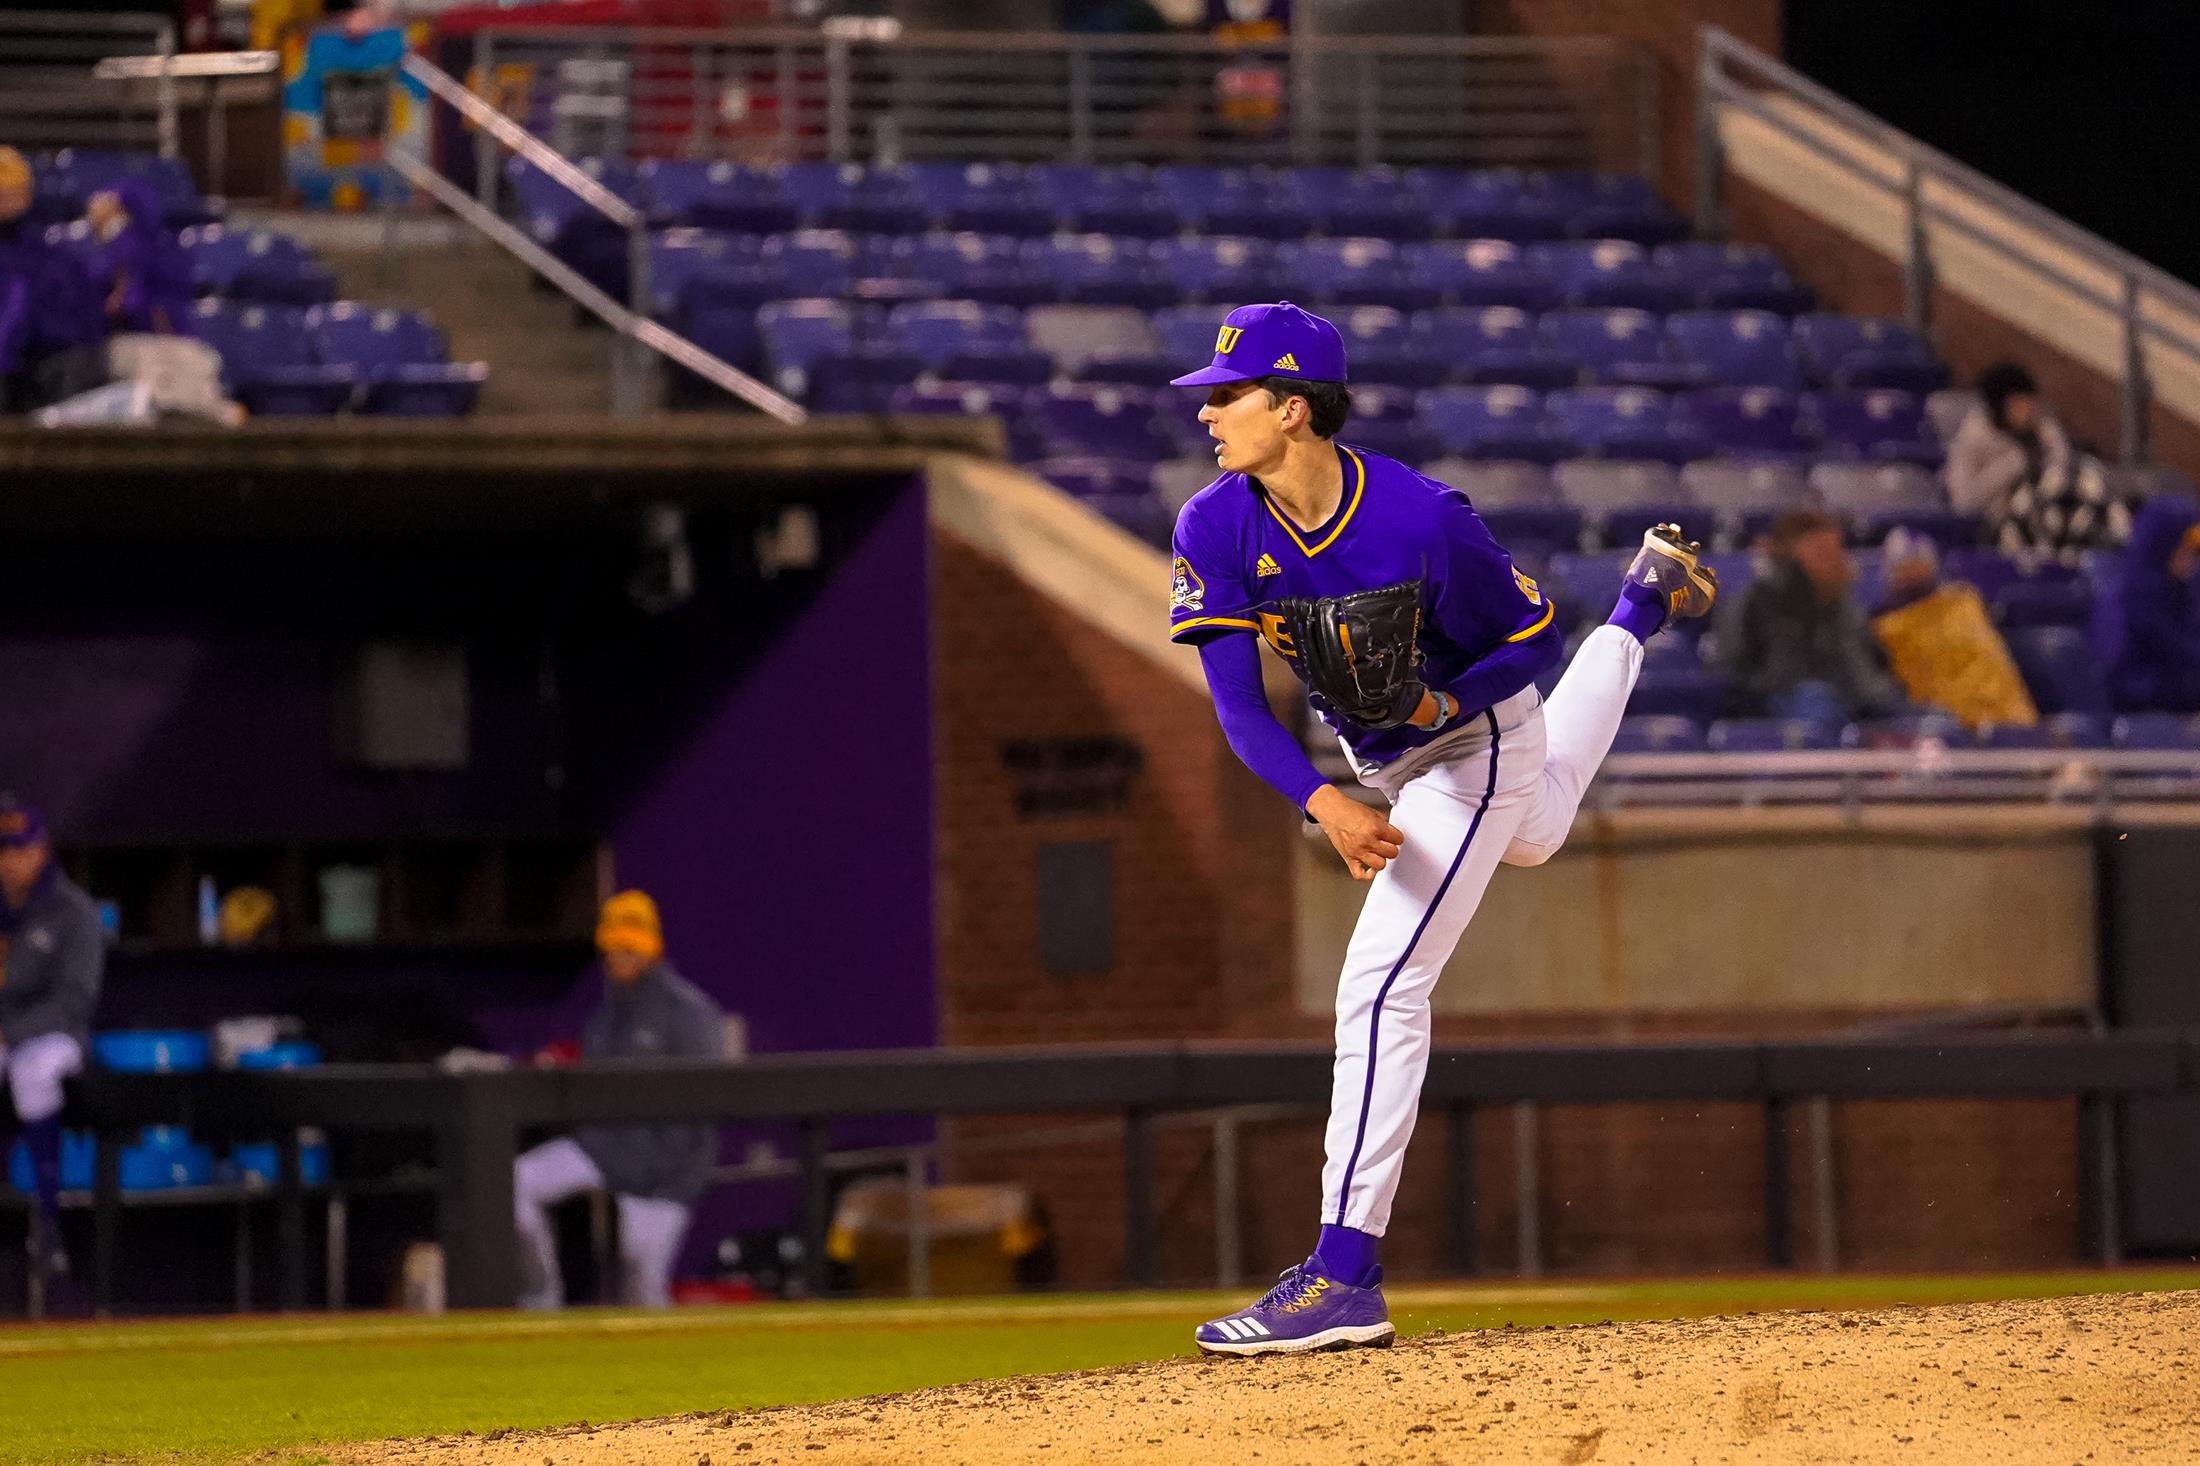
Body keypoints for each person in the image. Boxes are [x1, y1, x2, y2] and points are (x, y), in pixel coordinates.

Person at [1163, 303, 1717, 1355]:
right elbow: (1238, 705)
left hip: (1474, 739)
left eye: (1226, 395)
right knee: (1541, 830)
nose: (1208, 413)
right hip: (1379, 759)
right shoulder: (1215, 523)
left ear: (1292, 408)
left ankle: (1342, 1272)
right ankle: (1642, 603)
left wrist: (1438, 709)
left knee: (1381, 982)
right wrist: (1322, 800)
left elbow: (1524, 642)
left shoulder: (1421, 517)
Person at [513, 890, 727, 1309]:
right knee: (516, 1181)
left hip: (661, 1171)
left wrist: (679, 1180)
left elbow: (706, 1106)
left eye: (630, 948)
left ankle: (668, 1372)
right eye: (614, 949)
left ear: (650, 947)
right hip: (604, 1150)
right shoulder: (605, 1016)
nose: (621, 957)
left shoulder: (689, 1012)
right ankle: (541, 1300)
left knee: (642, 1288)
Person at [0, 795, 104, 1299]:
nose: (10, 861)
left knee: (35, 1070)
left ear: (41, 849)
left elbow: (74, 1000)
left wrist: (10, 1033)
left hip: (53, 1037)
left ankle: (48, 1221)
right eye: (2, 850)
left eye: (20, 850)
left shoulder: (73, 912)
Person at [1717, 508, 1909, 728]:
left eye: (1836, 550)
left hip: (1860, 701)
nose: (1834, 560)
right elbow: (1734, 672)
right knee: (1817, 699)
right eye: (1821, 552)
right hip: (1784, 703)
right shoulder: (1755, 602)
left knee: (1931, 723)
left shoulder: (1846, 605)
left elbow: (1874, 662)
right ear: (1788, 554)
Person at [1945, 361, 2127, 564]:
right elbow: (1964, 501)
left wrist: (2048, 444)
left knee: (2088, 480)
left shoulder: (2042, 428)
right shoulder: (1973, 439)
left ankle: (2106, 550)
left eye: (2029, 402)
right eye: (2018, 404)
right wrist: (2013, 463)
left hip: (2052, 509)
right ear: (1999, 406)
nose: (2027, 410)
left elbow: (2064, 468)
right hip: (2001, 524)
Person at [1867, 527, 2038, 731]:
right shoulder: (1883, 628)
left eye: (1918, 561)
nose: (1912, 569)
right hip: (1949, 731)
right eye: (1902, 564)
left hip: (2012, 723)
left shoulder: (1963, 603)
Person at [0, 147, 108, 411]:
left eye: (8, 193)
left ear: (25, 197)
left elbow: (86, 331)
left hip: (42, 376)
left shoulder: (56, 262)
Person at [2105, 496, 2200, 712]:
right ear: (2162, 546)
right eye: (2184, 548)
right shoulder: (2121, 602)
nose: (2191, 557)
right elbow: (2124, 682)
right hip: (2145, 716)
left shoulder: (2186, 593)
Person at [83, 180, 194, 337]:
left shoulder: (135, 244)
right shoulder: (110, 250)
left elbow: (131, 299)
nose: (92, 209)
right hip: (118, 340)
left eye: (104, 201)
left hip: (152, 337)